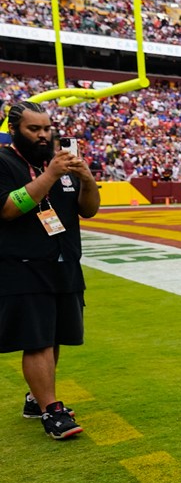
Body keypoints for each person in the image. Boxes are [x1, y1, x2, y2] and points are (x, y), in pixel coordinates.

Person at [0, 101, 100, 439]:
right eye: (34, 129)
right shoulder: (4, 162)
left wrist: (86, 179)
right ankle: (51, 411)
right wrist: (51, 174)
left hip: (64, 260)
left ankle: (36, 399)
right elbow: (8, 209)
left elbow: (89, 211)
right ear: (14, 130)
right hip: (23, 264)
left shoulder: (63, 164)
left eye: (47, 129)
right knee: (37, 339)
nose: (43, 135)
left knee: (54, 335)